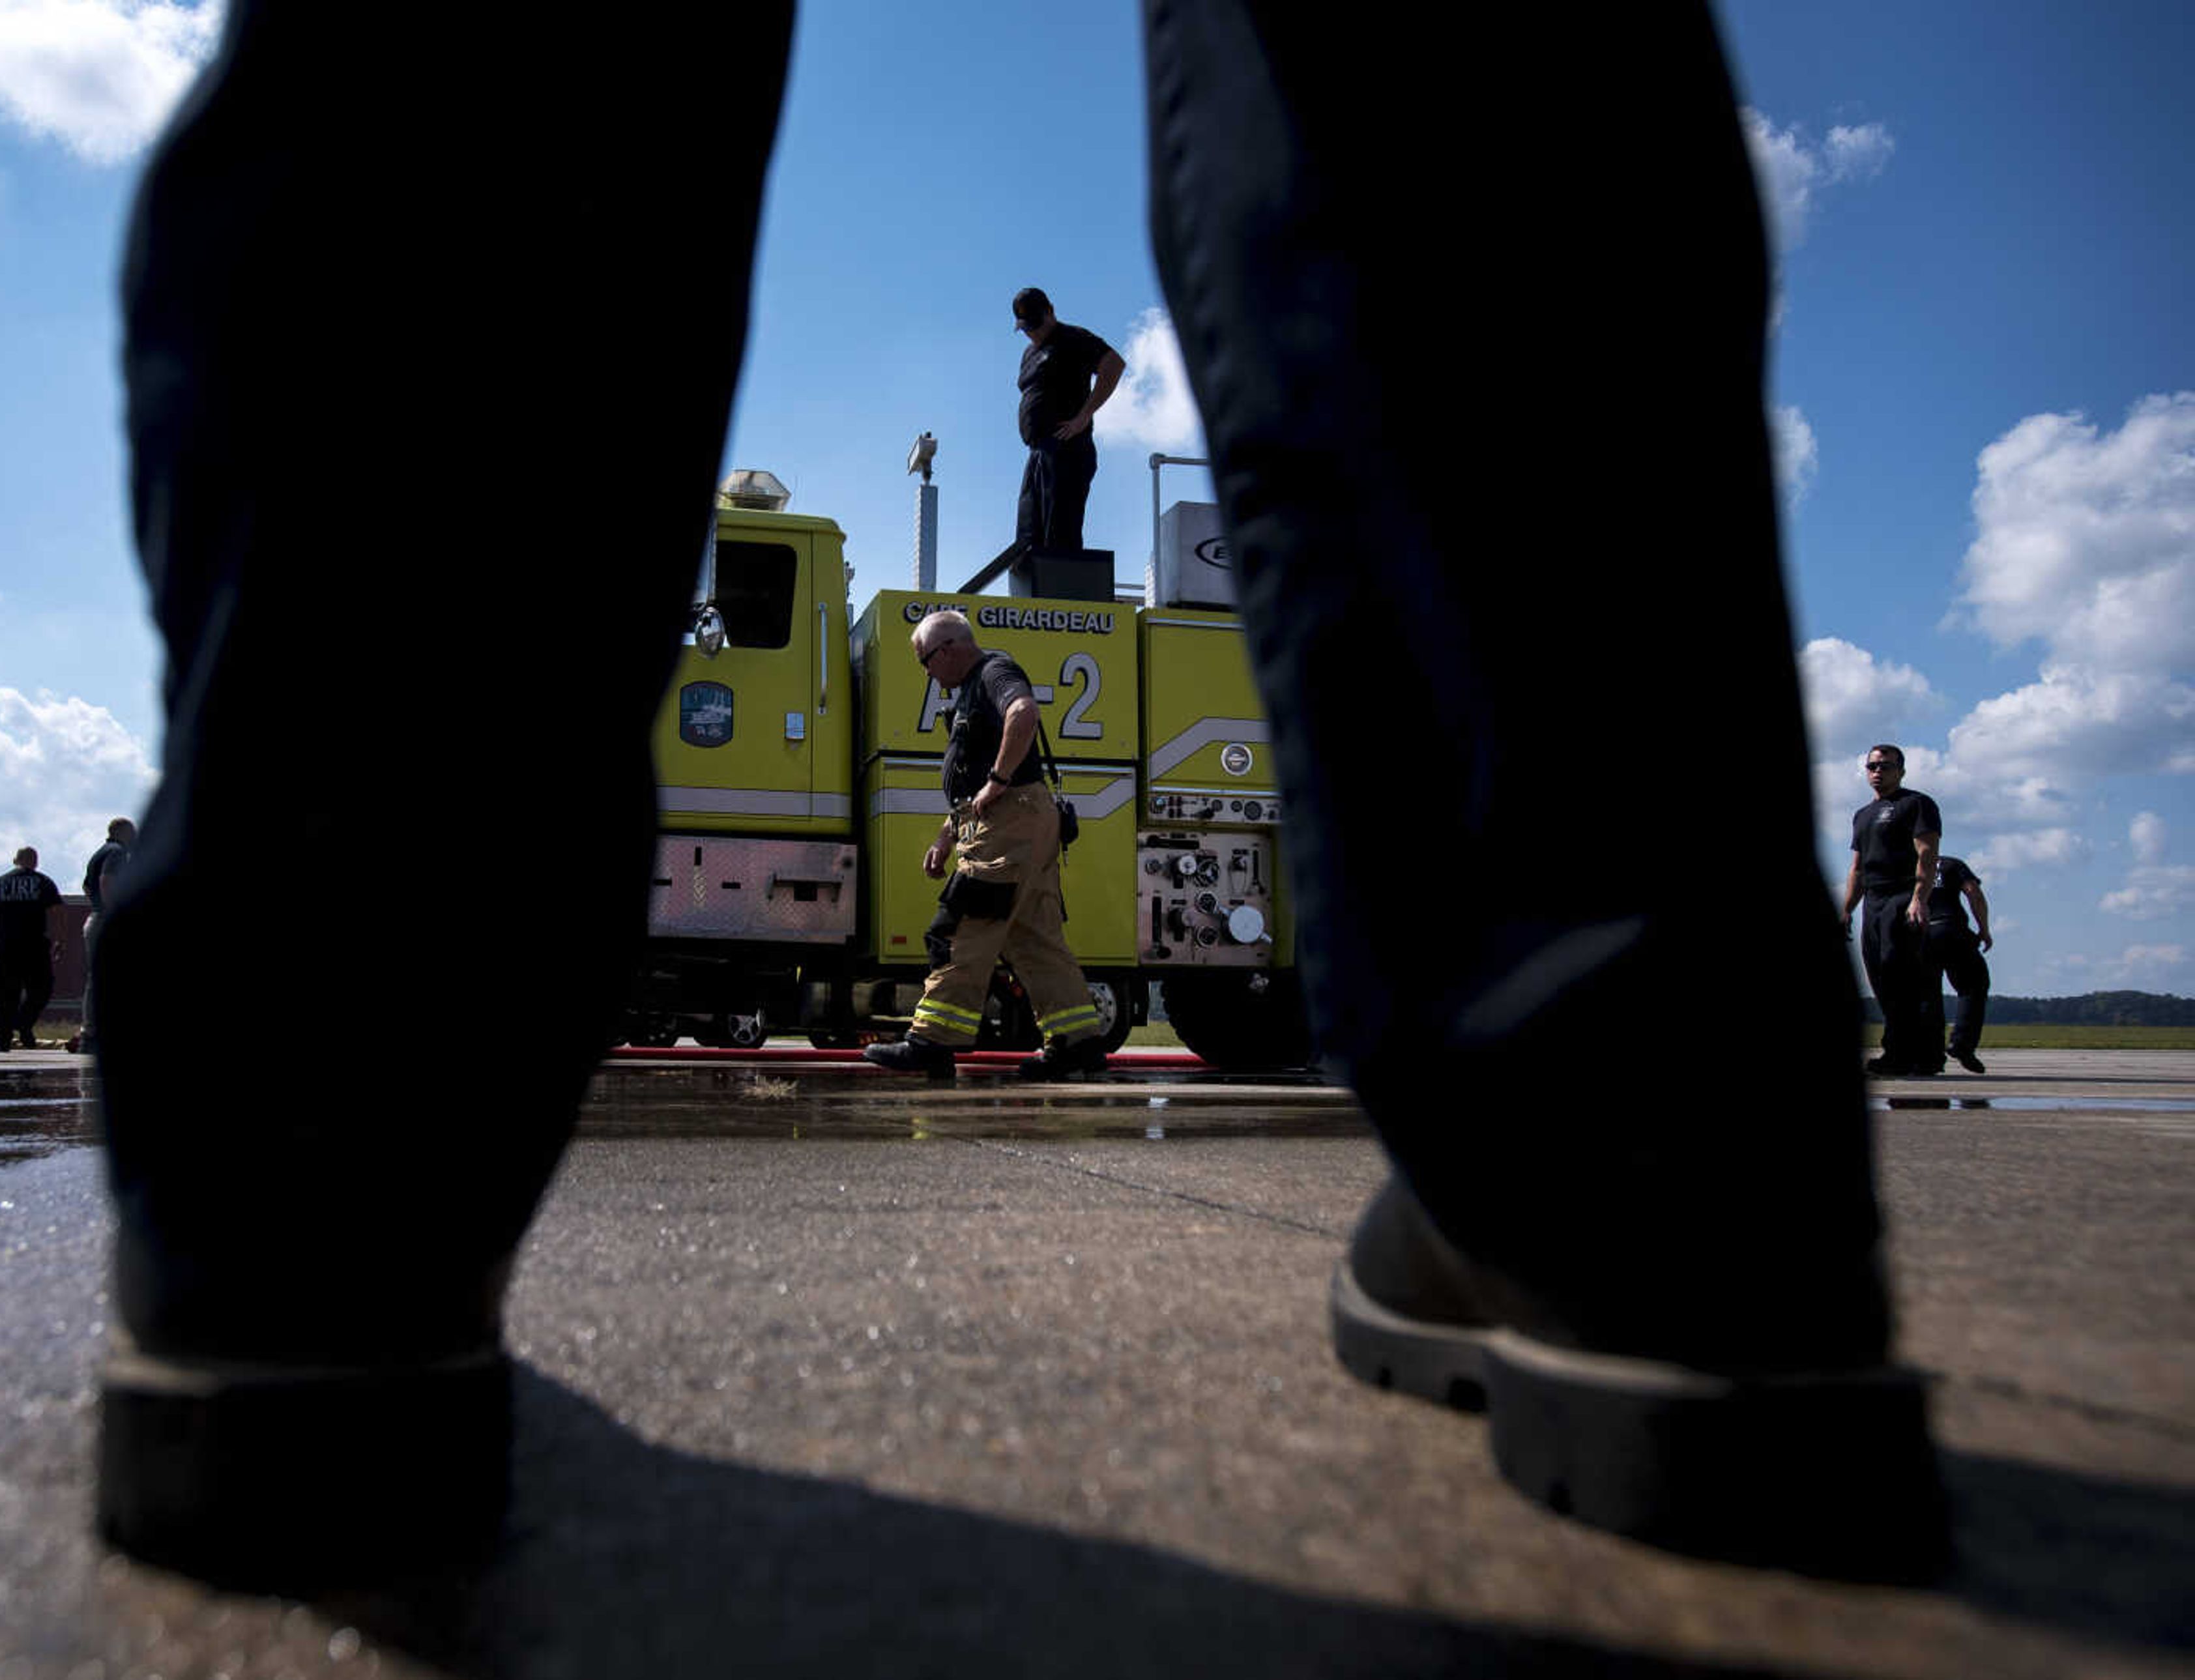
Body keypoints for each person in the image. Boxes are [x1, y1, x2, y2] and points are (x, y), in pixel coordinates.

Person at [94, 0, 1941, 1588]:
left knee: (486, 77)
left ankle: (306, 1159)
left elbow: (1003, 785)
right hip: (1057, 849)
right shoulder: (987, 658)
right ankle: (1648, 1144)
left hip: (1006, 841)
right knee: (1426, 67)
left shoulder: (1003, 649)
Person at [863, 609, 1107, 1081]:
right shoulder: (970, 689)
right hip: (1017, 825)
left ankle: (931, 1042)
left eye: (925, 661)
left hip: (1009, 824)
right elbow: (968, 786)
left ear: (950, 648)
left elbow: (1024, 712)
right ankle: (1078, 1042)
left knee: (961, 927)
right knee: (1033, 937)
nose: (928, 674)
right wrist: (945, 835)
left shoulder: (993, 671)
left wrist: (997, 781)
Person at [1840, 746, 1943, 1077]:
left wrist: (1919, 898)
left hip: (1903, 894)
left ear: (1901, 770)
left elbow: (1927, 854)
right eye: (1871, 766)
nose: (1877, 772)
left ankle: (1916, 1054)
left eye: (1885, 766)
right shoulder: (1862, 815)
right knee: (1880, 977)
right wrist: (1846, 911)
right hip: (1874, 898)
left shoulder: (1916, 804)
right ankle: (1904, 1051)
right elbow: (1857, 868)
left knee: (1901, 973)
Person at [1010, 287, 1124, 558]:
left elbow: (1114, 364)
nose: (1033, 332)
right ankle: (1032, 598)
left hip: (1066, 447)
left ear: (1051, 312)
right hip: (1037, 452)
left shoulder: (1073, 338)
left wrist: (1084, 415)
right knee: (1028, 538)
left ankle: (1063, 596)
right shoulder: (1028, 354)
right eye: (1027, 328)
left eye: (1037, 325)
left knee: (1059, 534)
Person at [0, 847, 65, 1052]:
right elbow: (58, 912)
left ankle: (3, 1039)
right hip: (35, 946)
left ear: (15, 860)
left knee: (4, 995)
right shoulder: (44, 882)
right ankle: (24, 1022)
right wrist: (60, 940)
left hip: (7, 946)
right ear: (35, 862)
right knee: (41, 990)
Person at [1923, 855, 1992, 1075]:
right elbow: (1974, 892)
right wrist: (1984, 929)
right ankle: (1961, 1043)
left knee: (1928, 994)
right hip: (1951, 928)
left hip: (1921, 933)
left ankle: (1930, 1054)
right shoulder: (1951, 865)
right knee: (1974, 984)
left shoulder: (1905, 865)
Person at [72, 818, 136, 1054]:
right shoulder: (117, 852)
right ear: (123, 832)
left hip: (95, 917)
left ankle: (91, 1032)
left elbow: (87, 887)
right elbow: (106, 881)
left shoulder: (99, 853)